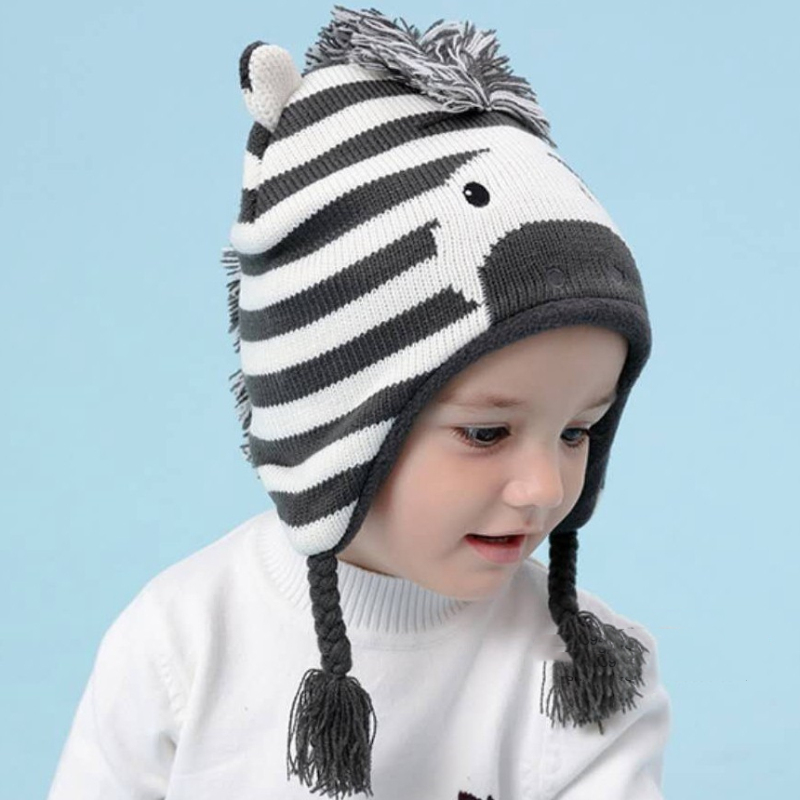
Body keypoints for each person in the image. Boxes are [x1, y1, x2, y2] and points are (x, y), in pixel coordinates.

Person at [46, 6, 671, 799]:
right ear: (334, 422)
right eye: (487, 432)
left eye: (578, 431)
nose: (544, 488)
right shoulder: (183, 640)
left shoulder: (583, 673)